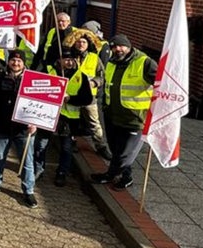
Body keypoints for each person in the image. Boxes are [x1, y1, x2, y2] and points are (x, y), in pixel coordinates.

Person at [92, 35, 157, 190]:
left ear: (129, 46)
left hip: (135, 119)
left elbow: (162, 83)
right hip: (112, 115)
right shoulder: (112, 62)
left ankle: (113, 174)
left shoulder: (144, 62)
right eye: (114, 47)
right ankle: (123, 176)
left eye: (121, 46)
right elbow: (106, 81)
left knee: (124, 155)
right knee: (115, 150)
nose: (117, 49)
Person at [0, 51, 38, 208]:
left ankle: (28, 190)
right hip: (2, 126)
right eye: (13, 60)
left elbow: (42, 104)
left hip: (24, 130)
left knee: (27, 161)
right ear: (8, 61)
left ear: (24, 63)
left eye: (19, 61)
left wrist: (36, 123)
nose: (16, 63)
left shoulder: (33, 80)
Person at [43, 48, 95, 187]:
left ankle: (62, 173)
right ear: (58, 60)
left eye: (71, 59)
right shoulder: (49, 72)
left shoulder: (81, 76)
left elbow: (87, 98)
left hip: (69, 119)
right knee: (42, 144)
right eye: (65, 59)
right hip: (48, 114)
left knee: (66, 148)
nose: (68, 61)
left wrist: (70, 98)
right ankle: (38, 168)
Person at [73, 33, 111, 160]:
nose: (81, 44)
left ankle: (101, 146)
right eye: (78, 42)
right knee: (71, 121)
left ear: (88, 44)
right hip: (72, 96)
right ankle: (71, 141)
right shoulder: (69, 56)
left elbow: (102, 76)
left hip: (89, 97)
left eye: (83, 42)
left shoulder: (94, 58)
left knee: (94, 123)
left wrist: (95, 82)